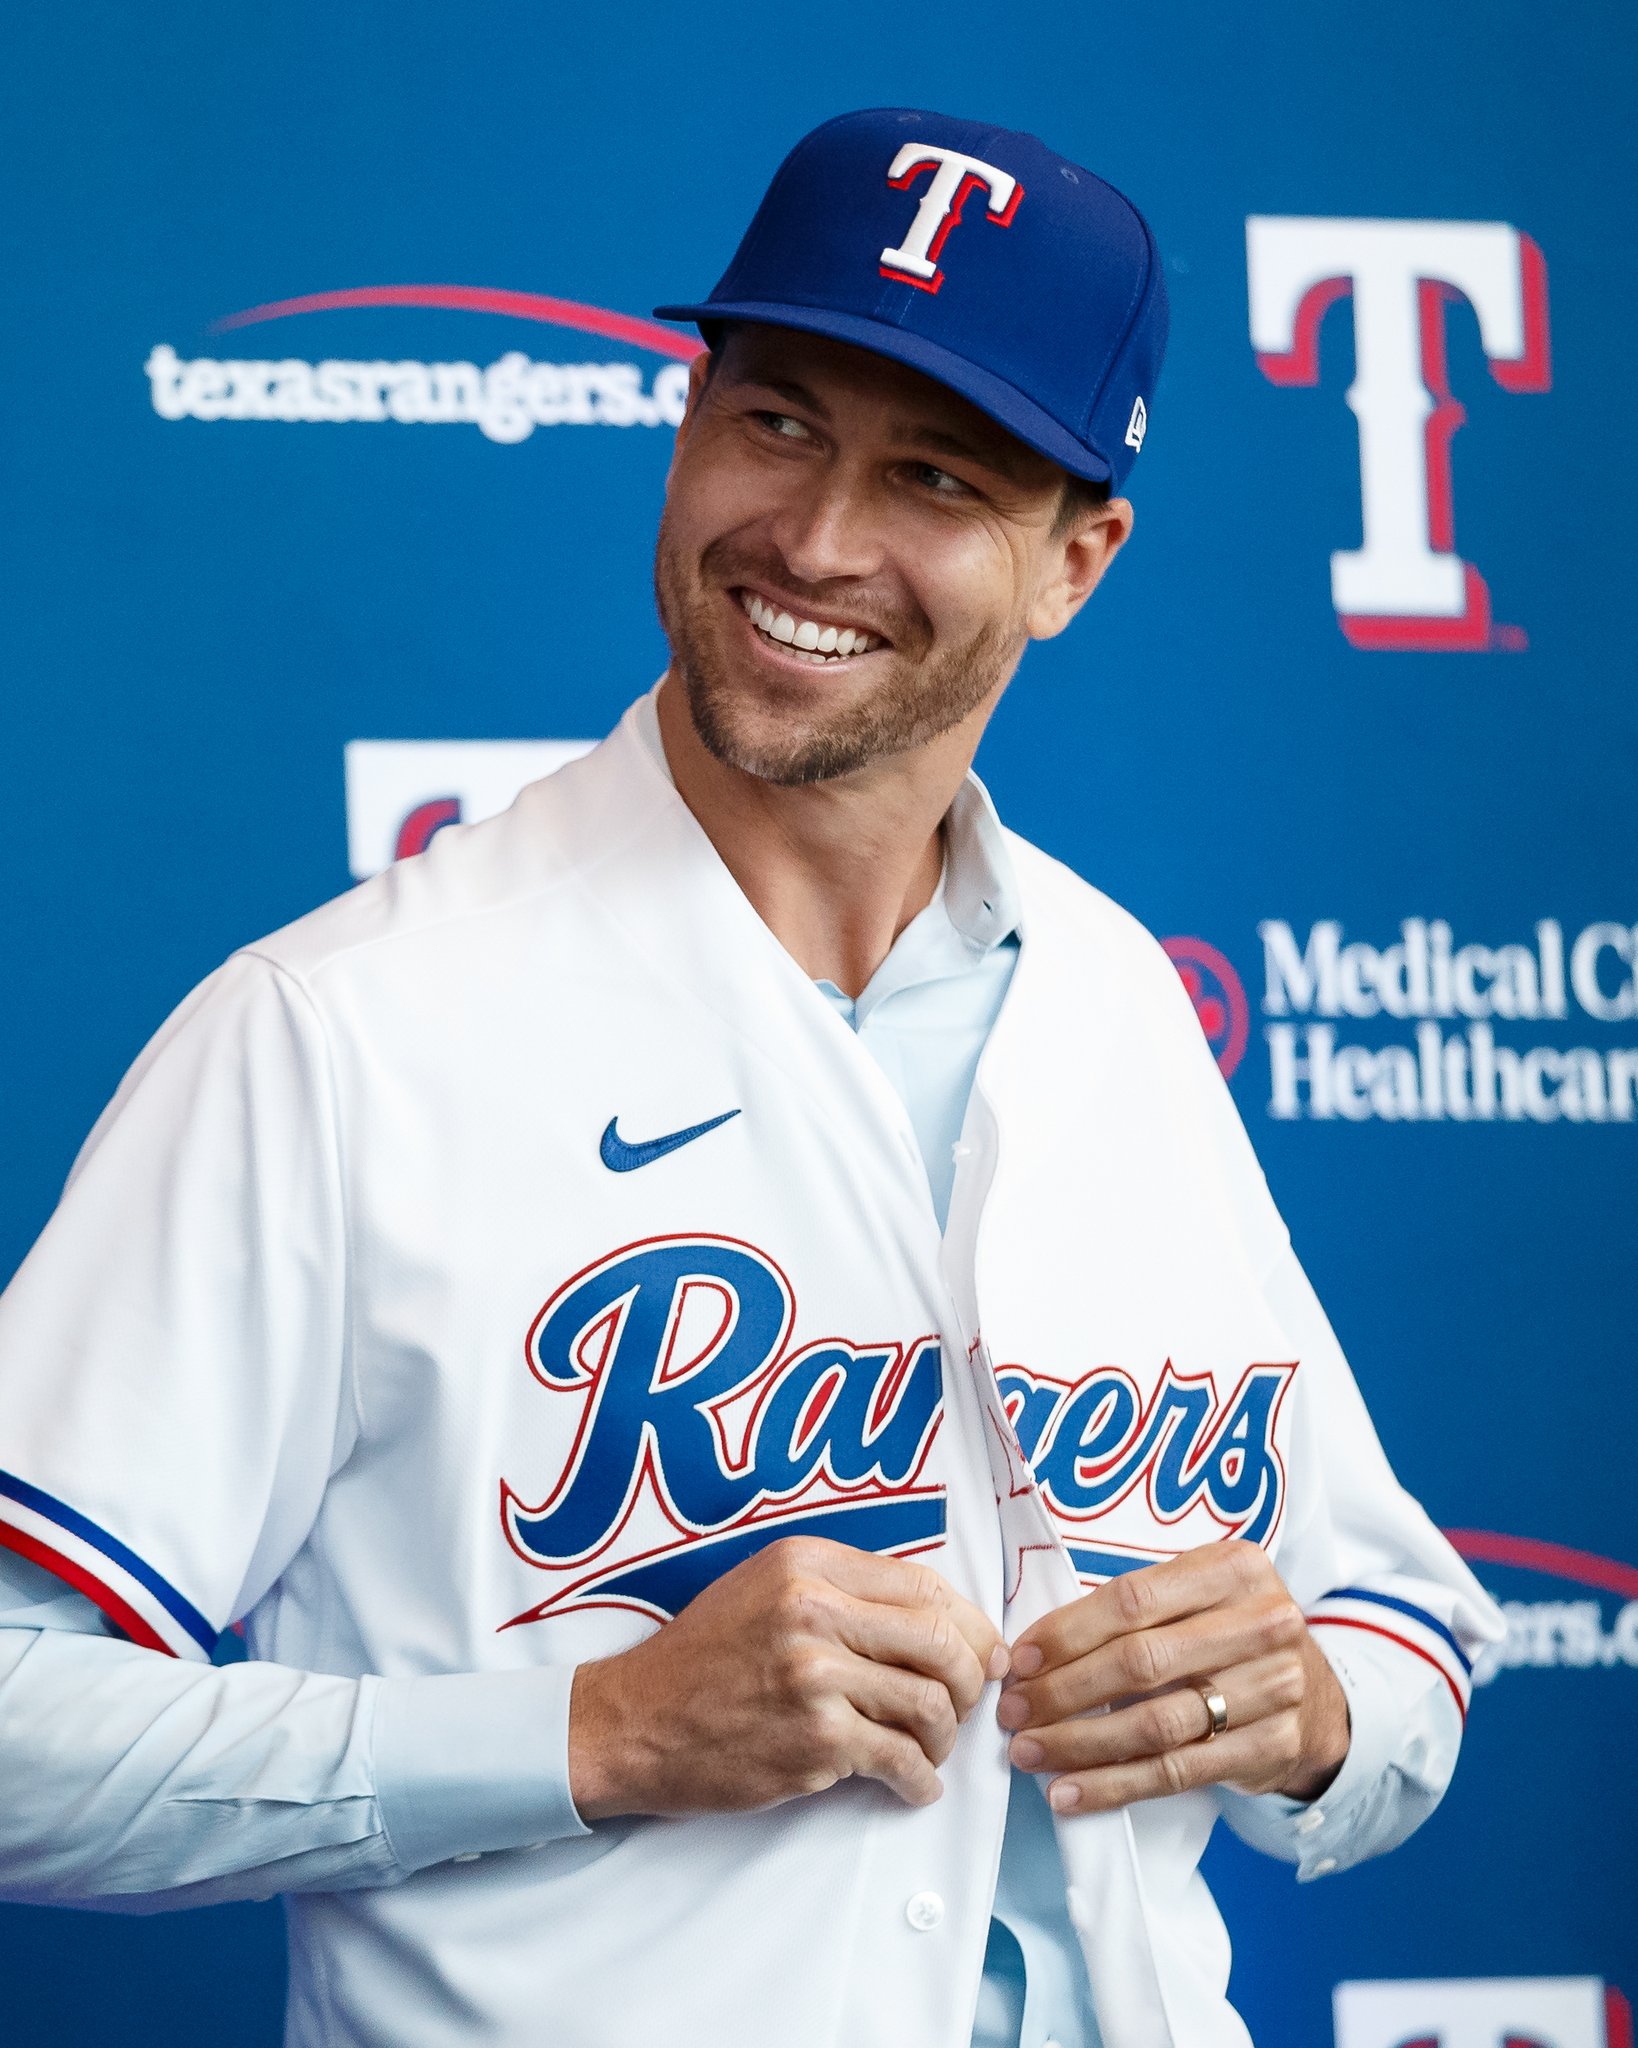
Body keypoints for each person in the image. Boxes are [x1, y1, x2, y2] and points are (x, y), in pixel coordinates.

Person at [0, 108, 1499, 2048]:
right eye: (775, 420)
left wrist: (1304, 1707)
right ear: (688, 412)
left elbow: (1408, 1635)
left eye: (934, 474)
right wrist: (589, 1730)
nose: (814, 539)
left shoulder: (1115, 1002)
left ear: (1075, 561)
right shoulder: (345, 1031)